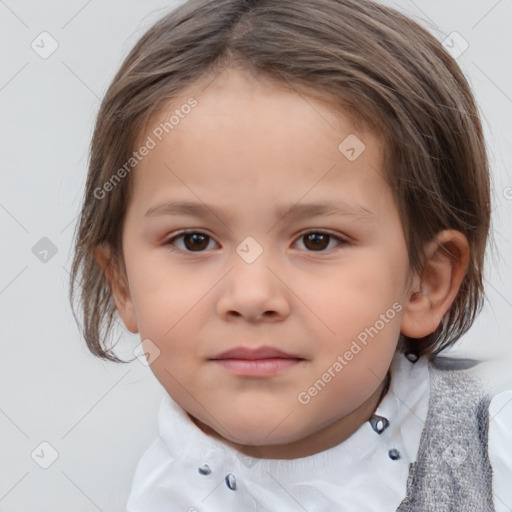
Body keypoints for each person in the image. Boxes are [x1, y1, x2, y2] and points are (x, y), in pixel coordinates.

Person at [68, 0, 512, 510]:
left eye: (317, 240)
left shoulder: (493, 460)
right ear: (122, 283)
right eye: (194, 240)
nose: (251, 297)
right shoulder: (156, 496)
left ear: (425, 282)